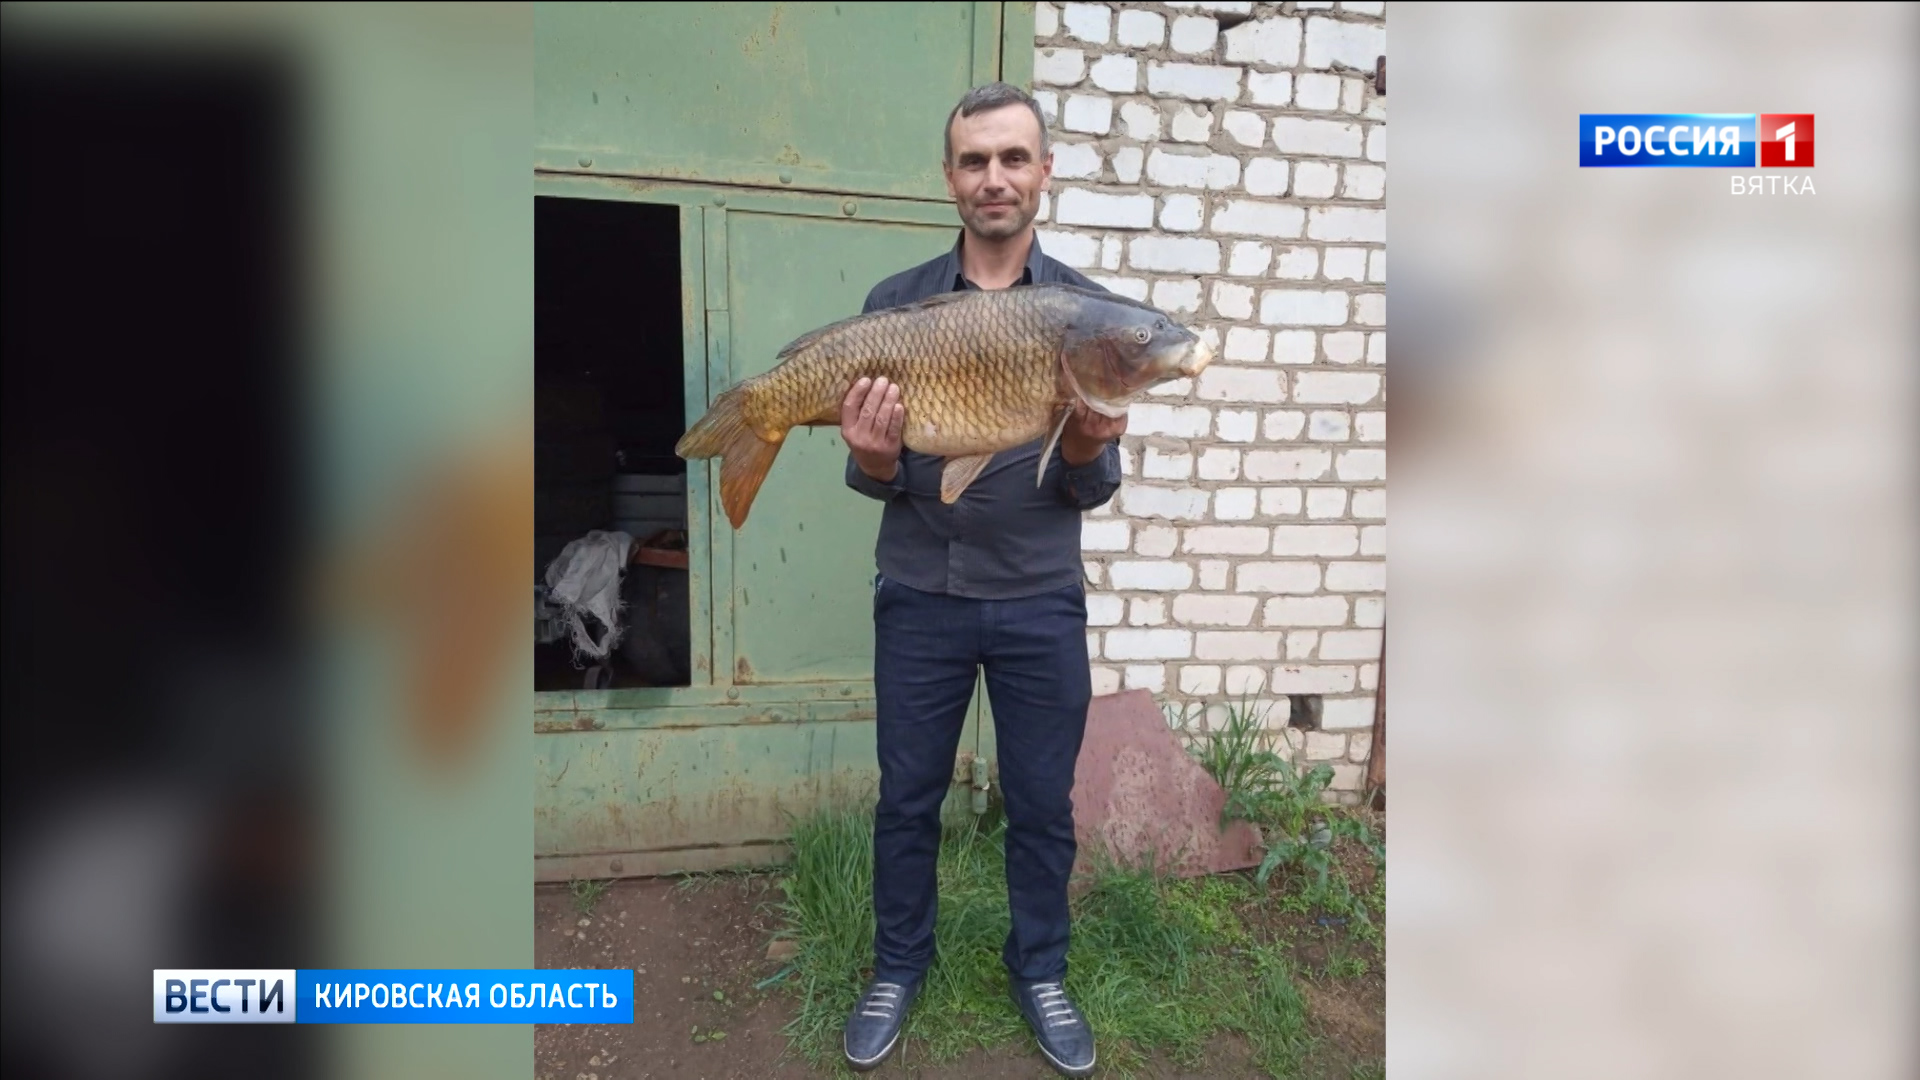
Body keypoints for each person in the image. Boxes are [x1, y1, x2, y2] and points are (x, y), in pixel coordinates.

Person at [836, 82, 1123, 1079]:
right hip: (920, 595)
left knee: (1041, 803)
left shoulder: (1085, 314)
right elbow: (871, 478)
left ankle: (1040, 969)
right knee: (907, 799)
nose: (993, 178)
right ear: (950, 177)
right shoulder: (895, 307)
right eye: (974, 160)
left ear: (1044, 171)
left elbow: (1094, 488)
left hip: (1040, 599)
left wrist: (1086, 443)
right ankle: (897, 966)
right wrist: (874, 457)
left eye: (1012, 158)